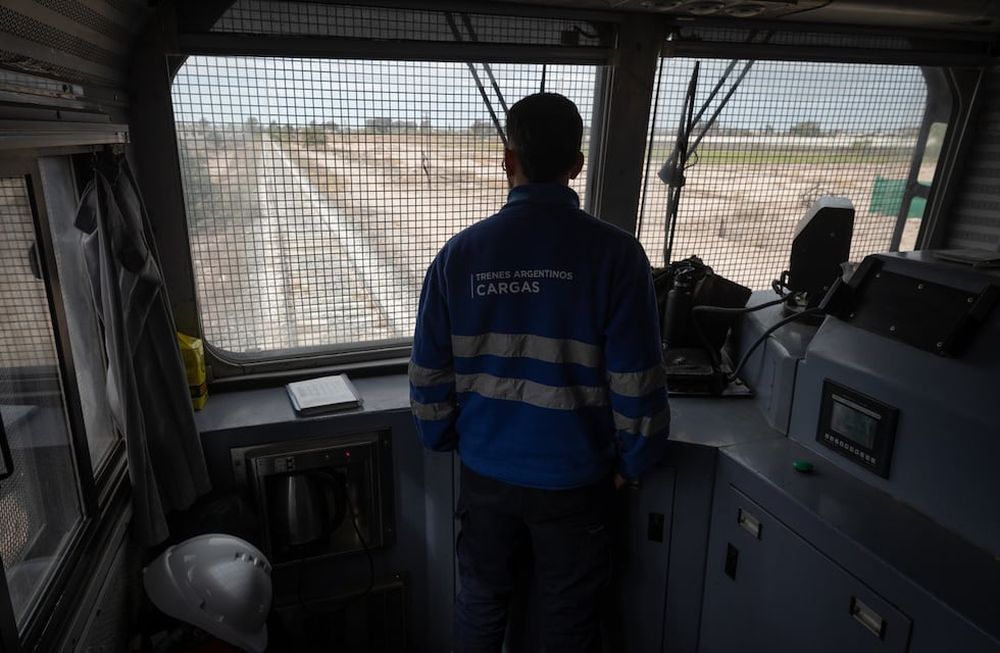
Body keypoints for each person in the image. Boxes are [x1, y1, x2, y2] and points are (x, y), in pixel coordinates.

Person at [409, 92, 670, 652]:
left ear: (509, 160)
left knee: (479, 603)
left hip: (485, 475)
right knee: (568, 618)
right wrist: (633, 462)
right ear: (576, 167)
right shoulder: (618, 256)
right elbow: (637, 381)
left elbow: (429, 374)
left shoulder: (458, 256)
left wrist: (448, 439)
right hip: (577, 482)